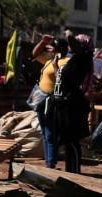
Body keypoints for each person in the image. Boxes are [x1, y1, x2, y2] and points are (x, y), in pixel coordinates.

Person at [52, 33, 94, 174]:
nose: (71, 45)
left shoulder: (81, 59)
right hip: (63, 104)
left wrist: (69, 35)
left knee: (72, 140)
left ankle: (75, 172)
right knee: (67, 140)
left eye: (76, 43)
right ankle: (69, 171)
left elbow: (71, 40)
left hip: (71, 105)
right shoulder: (74, 59)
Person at [28, 34, 71, 169]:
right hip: (41, 98)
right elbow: (35, 54)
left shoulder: (65, 61)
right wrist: (42, 41)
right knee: (45, 133)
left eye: (53, 46)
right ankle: (49, 161)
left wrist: (55, 65)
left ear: (61, 48)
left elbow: (62, 77)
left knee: (50, 133)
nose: (50, 48)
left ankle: (50, 163)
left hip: (50, 101)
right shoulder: (50, 58)